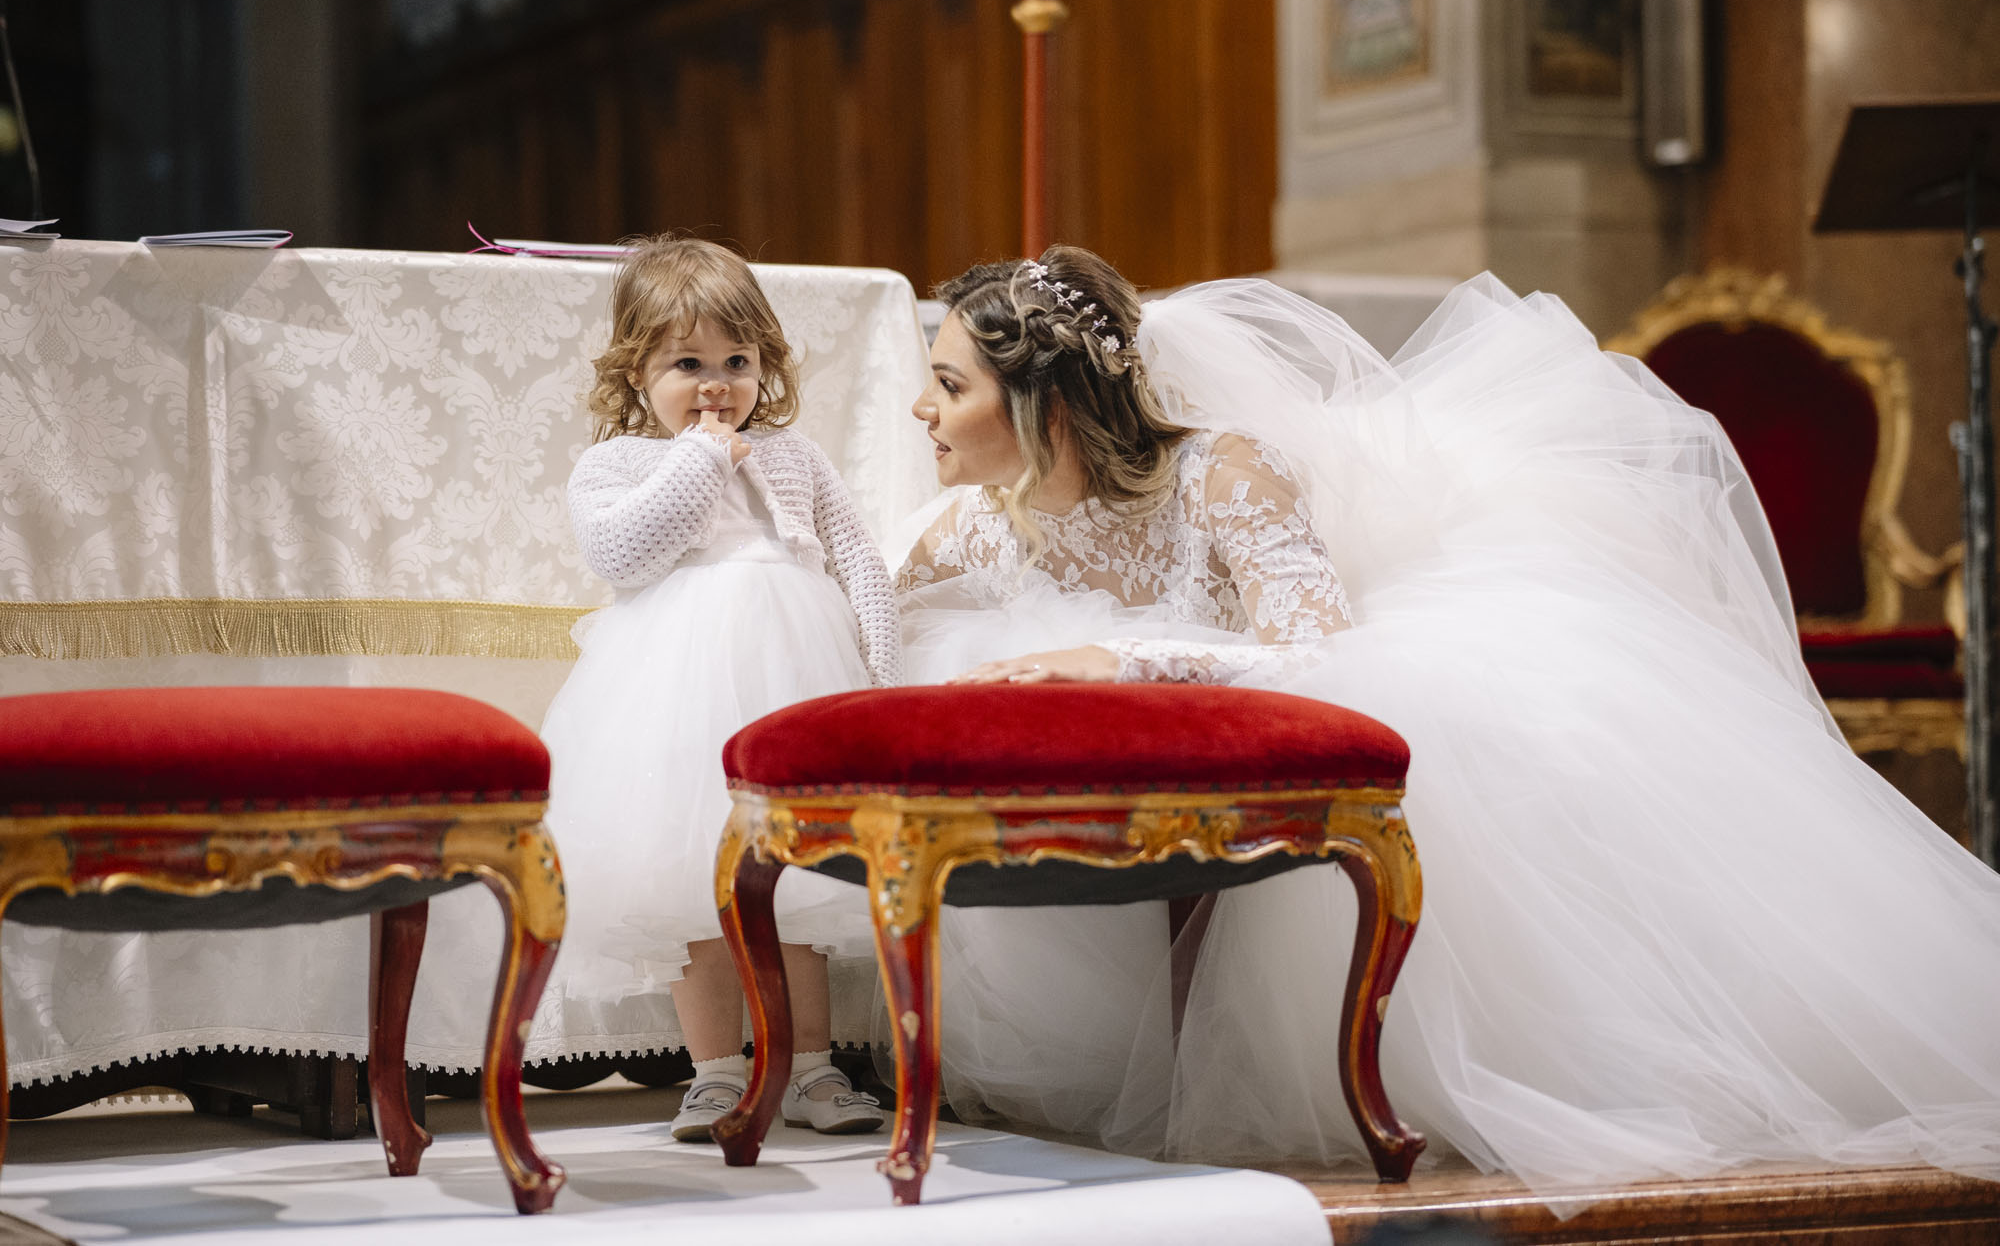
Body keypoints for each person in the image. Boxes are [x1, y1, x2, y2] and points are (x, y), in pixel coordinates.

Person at [892, 245, 2000, 1196]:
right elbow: (871, 600)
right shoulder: (982, 527)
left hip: (1378, 695)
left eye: (946, 384)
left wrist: (1119, 659)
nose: (919, 410)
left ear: (1042, 401)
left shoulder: (1222, 476)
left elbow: (1326, 655)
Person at [546, 234, 899, 1141]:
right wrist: (703, 456)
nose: (717, 385)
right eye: (688, 364)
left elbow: (858, 557)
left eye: (736, 362)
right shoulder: (620, 465)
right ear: (636, 372)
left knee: (798, 884)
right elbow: (625, 552)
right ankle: (713, 1072)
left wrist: (883, 675)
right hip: (676, 702)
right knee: (691, 883)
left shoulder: (795, 457)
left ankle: (812, 1066)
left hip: (795, 684)